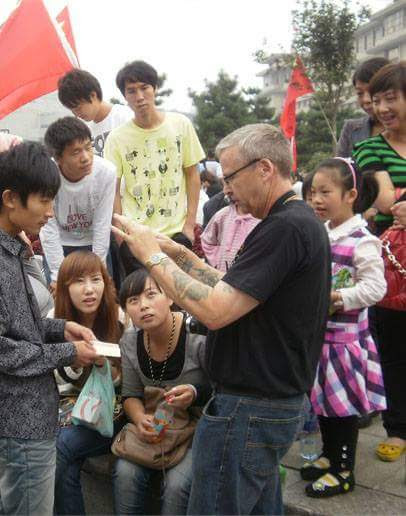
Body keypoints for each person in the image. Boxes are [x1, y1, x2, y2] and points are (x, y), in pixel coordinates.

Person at [111, 123, 331, 515]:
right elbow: (231, 291)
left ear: (264, 168)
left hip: (249, 409)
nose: (225, 188)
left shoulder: (285, 227)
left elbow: (214, 310)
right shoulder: (291, 223)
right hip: (263, 405)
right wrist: (179, 256)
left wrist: (152, 257)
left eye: (230, 176)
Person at [0, 142, 98, 516]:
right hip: (19, 421)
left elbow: (20, 325)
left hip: (32, 413)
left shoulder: (14, 248)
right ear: (11, 198)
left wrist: (61, 328)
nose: (50, 212)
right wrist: (68, 352)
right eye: (44, 201)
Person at [302, 158, 386, 497]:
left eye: (326, 191)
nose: (317, 199)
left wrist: (339, 296)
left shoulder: (361, 240)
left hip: (345, 342)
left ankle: (343, 470)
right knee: (323, 402)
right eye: (312, 192)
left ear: (351, 194)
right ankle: (329, 455)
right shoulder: (320, 232)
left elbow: (375, 288)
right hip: (320, 339)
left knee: (343, 408)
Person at [112, 268, 210, 515]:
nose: (143, 306)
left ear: (169, 297)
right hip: (157, 426)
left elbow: (224, 388)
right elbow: (131, 394)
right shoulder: (130, 340)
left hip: (199, 427)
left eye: (151, 295)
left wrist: (195, 393)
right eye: (133, 301)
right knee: (124, 472)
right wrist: (139, 419)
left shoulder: (197, 336)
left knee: (177, 486)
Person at [104, 60, 205, 274]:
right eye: (131, 91)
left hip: (177, 233)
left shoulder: (181, 125)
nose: (139, 96)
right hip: (137, 236)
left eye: (144, 88)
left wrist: (189, 225)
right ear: (125, 96)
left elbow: (192, 175)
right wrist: (122, 236)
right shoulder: (116, 138)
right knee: (144, 300)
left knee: (180, 300)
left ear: (154, 88)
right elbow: (113, 190)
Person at [353, 62, 406, 462]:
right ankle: (399, 426)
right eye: (378, 99)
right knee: (393, 344)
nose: (382, 107)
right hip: (394, 258)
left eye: (392, 98)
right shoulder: (369, 147)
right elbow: (386, 201)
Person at [50, 251, 123, 515]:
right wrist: (76, 360)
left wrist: (107, 370)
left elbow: (131, 384)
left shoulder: (122, 319)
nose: (89, 289)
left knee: (61, 448)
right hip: (67, 411)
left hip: (111, 413)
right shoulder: (55, 322)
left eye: (96, 279)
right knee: (65, 461)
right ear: (65, 287)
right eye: (79, 281)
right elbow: (57, 380)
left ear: (106, 282)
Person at [40, 116, 116, 290]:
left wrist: (99, 270)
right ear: (58, 158)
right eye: (75, 152)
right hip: (60, 243)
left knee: (101, 299)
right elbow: (47, 227)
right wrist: (57, 274)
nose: (86, 158)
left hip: (94, 245)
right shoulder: (46, 174)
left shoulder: (106, 172)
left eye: (88, 148)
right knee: (62, 305)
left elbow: (102, 224)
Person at [57, 69, 133, 157]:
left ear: (93, 95)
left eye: (78, 108)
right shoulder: (82, 129)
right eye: (72, 110)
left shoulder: (125, 117)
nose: (77, 114)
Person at [337, 57, 389, 158]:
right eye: (360, 93)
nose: (366, 99)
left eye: (372, 91)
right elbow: (339, 169)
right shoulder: (351, 128)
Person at [201, 195, 260, 272]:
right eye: (225, 184)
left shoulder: (262, 218)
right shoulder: (223, 214)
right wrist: (217, 260)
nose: (226, 190)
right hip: (223, 276)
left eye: (229, 183)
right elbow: (207, 240)